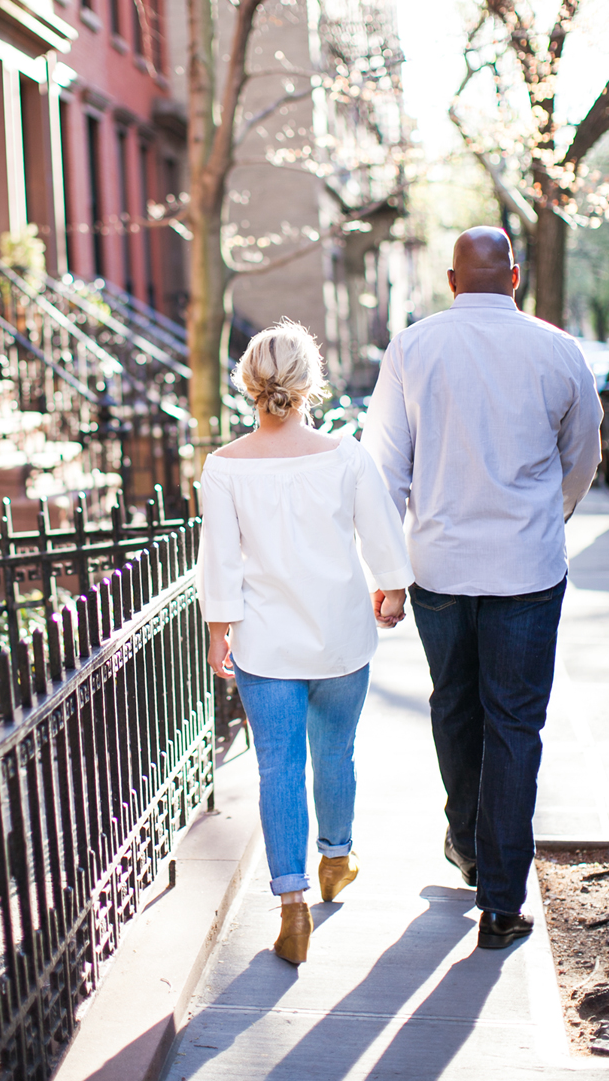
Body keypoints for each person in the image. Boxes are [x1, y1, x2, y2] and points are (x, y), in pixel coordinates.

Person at [362, 226, 602, 951]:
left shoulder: (413, 347)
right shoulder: (558, 351)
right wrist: (546, 514)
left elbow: (383, 467)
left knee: (455, 707)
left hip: (438, 565)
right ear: (517, 276)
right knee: (515, 724)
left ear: (451, 278)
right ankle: (500, 899)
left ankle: (469, 842)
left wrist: (388, 575)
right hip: (526, 568)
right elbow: (583, 452)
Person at [197, 319, 414, 965]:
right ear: (310, 383)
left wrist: (219, 632)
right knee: (336, 753)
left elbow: (220, 561)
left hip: (266, 646)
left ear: (249, 386)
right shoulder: (345, 457)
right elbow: (380, 534)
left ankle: (292, 906)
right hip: (341, 639)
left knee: (278, 768)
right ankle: (336, 859)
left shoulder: (224, 467)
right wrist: (393, 591)